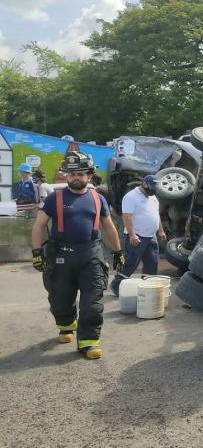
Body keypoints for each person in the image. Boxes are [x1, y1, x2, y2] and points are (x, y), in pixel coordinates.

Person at [30, 151, 125, 360]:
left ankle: (89, 341)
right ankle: (66, 325)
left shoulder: (98, 198)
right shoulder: (55, 198)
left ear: (89, 176)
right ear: (66, 175)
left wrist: (118, 251)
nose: (76, 177)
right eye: (71, 174)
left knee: (93, 302)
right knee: (60, 299)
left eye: (81, 174)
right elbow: (39, 225)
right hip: (60, 256)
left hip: (90, 255)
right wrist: (37, 252)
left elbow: (108, 227)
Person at [110, 175, 166, 296]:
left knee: (152, 262)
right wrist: (132, 235)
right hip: (137, 236)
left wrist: (160, 231)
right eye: (152, 187)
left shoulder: (152, 197)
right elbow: (127, 216)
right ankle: (117, 284)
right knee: (130, 263)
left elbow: (156, 214)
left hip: (151, 236)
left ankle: (147, 286)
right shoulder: (131, 197)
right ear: (144, 184)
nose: (154, 190)